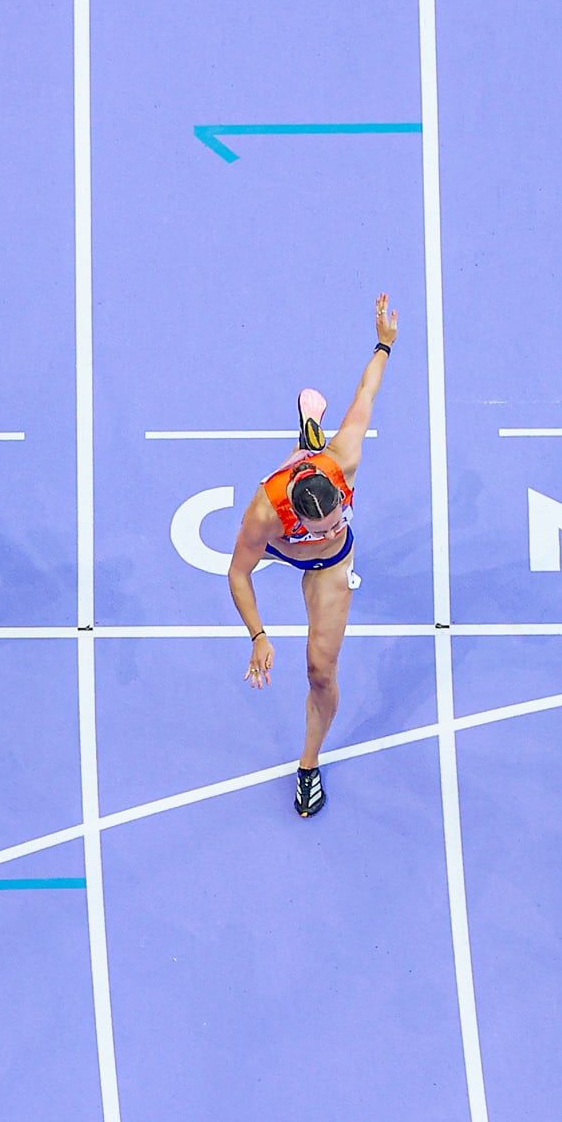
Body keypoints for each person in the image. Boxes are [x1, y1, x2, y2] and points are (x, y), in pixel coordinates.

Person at [227, 294, 398, 817]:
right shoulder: (265, 512)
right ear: (297, 514)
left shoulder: (345, 460)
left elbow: (366, 391)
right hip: (284, 548)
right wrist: (258, 635)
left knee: (320, 671)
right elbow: (238, 573)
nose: (332, 526)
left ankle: (308, 764)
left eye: (337, 515)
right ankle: (305, 440)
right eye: (319, 524)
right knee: (290, 485)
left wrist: (383, 344)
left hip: (329, 566)